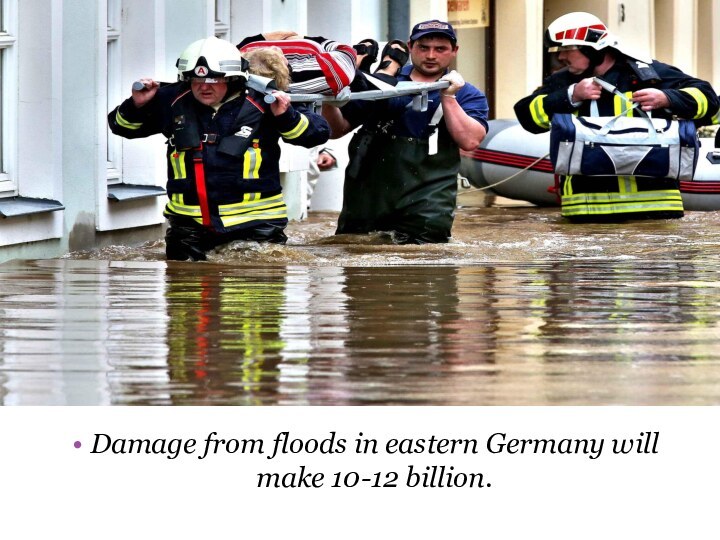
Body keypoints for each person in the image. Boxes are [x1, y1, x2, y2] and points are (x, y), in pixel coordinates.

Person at [108, 36, 329, 261]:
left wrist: (286, 116)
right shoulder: (173, 100)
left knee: (256, 290)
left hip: (255, 226)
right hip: (189, 227)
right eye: (196, 80)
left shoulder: (265, 101)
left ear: (233, 79)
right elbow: (122, 126)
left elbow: (317, 133)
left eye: (214, 80)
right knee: (185, 292)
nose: (204, 87)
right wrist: (136, 105)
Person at [514, 11, 719, 222]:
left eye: (567, 49)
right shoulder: (563, 83)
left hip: (655, 210)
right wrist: (571, 95)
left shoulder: (648, 74)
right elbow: (527, 116)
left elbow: (710, 101)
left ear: (592, 48)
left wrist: (668, 98)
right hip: (584, 211)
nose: (561, 57)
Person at [321, 19, 489, 244]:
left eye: (440, 49)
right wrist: (329, 98)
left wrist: (448, 97)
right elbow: (336, 131)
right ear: (410, 47)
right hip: (367, 197)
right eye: (423, 48)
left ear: (454, 51)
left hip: (427, 201)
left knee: (428, 268)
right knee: (357, 260)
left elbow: (470, 141)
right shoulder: (380, 83)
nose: (431, 55)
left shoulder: (467, 93)